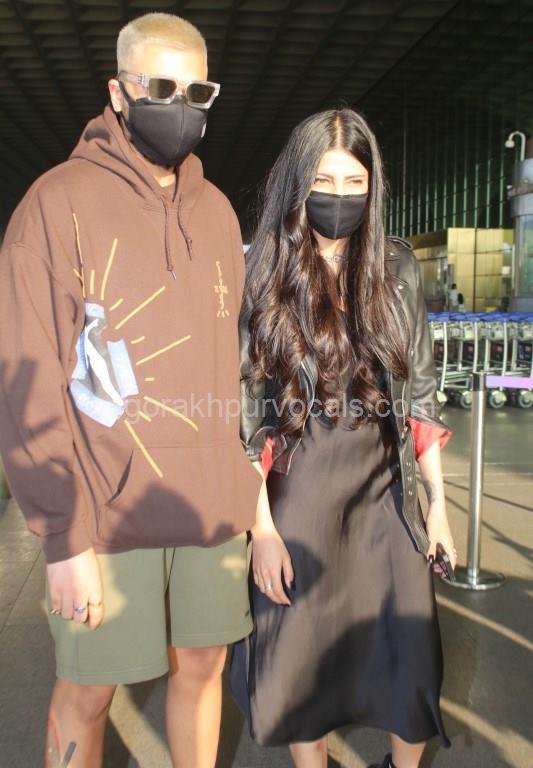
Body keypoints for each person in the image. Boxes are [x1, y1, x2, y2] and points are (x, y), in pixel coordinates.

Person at [0, 13, 261, 768]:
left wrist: (249, 502)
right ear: (118, 93)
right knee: (88, 690)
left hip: (209, 508)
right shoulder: (56, 204)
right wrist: (62, 538)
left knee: (204, 668)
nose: (181, 106)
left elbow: (231, 367)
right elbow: (27, 379)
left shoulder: (217, 213)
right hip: (106, 511)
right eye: (160, 88)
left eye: (197, 91)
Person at [231, 108, 456, 768]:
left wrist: (438, 505)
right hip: (299, 493)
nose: (340, 196)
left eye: (354, 182)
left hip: (386, 490)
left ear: (372, 187)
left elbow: (419, 390)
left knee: (410, 658)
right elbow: (246, 412)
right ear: (297, 184)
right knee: (303, 657)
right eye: (324, 181)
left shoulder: (396, 266)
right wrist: (261, 529)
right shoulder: (264, 273)